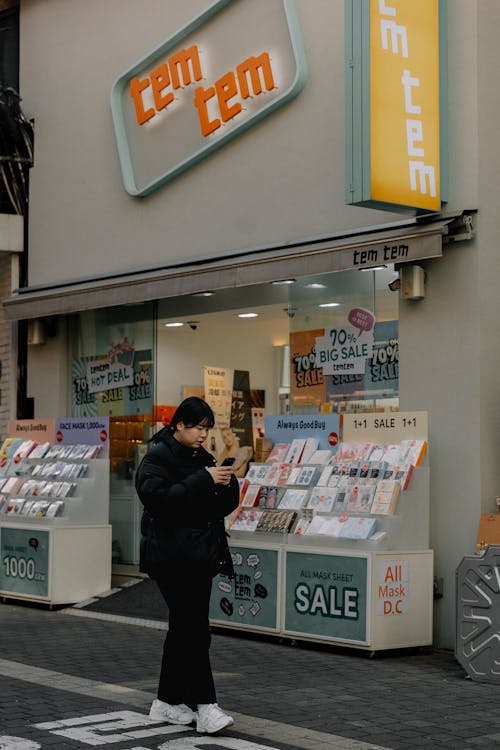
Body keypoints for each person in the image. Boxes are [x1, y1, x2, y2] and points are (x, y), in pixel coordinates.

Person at [135, 397, 239, 734]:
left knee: (185, 629)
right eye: (196, 427)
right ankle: (206, 706)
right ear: (178, 424)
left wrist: (225, 482)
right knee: (193, 630)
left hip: (198, 556)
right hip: (170, 558)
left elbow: (218, 505)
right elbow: (160, 501)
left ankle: (166, 701)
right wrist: (205, 480)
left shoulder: (203, 459)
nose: (202, 434)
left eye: (206, 429)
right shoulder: (156, 458)